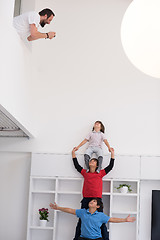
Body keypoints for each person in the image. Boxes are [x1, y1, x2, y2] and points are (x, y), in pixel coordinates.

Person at [72, 147, 115, 240]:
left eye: (94, 161)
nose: (92, 162)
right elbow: (76, 166)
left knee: (102, 221)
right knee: (81, 221)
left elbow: (110, 166)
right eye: (91, 160)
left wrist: (112, 154)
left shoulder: (100, 173)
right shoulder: (85, 173)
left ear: (97, 165)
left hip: (97, 200)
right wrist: (73, 153)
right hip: (86, 199)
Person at [50, 198, 136, 240]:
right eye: (91, 201)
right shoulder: (83, 212)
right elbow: (70, 210)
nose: (92, 201)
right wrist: (59, 207)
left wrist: (125, 220)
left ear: (97, 206)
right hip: (83, 238)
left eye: (94, 201)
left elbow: (112, 219)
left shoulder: (101, 215)